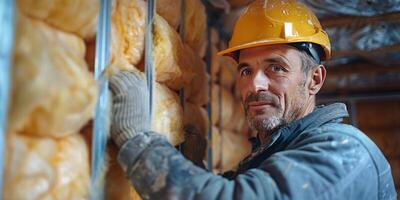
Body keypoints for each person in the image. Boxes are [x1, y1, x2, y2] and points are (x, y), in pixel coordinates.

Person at [109, 0, 397, 199]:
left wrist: (139, 140)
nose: (255, 84)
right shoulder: (276, 153)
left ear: (315, 80)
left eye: (276, 68)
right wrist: (189, 168)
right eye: (246, 70)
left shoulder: (345, 153)